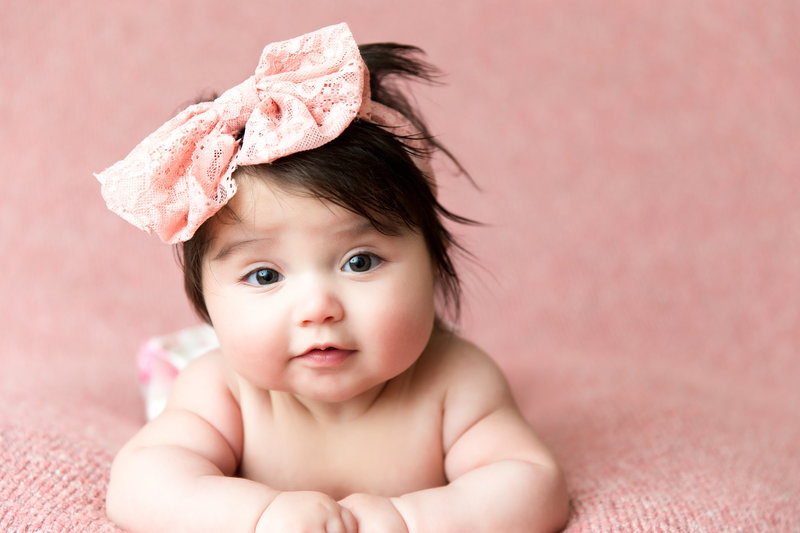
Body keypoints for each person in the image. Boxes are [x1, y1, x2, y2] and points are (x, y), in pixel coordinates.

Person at [97, 23, 569, 533]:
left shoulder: (455, 383)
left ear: (434, 261)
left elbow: (533, 486)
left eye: (360, 262)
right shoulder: (223, 391)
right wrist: (257, 516)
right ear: (206, 300)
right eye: (263, 275)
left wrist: (410, 520)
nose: (317, 308)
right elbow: (138, 485)